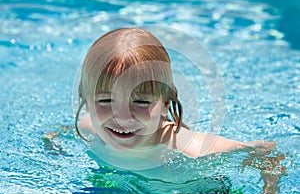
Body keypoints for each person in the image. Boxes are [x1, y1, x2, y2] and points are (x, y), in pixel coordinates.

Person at [74, 27, 268, 165]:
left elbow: (264, 152)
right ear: (87, 102)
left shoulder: (189, 147)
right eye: (105, 101)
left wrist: (269, 190)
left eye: (141, 102)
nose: (123, 118)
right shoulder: (90, 126)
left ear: (165, 104)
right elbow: (60, 131)